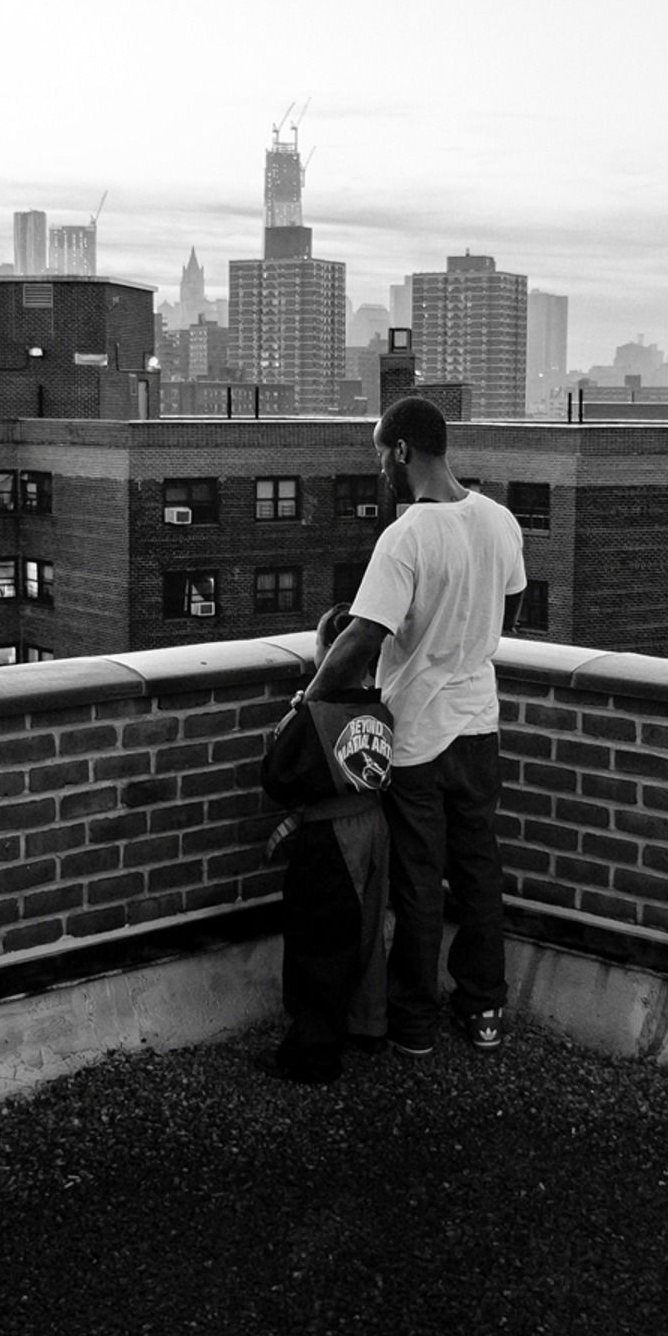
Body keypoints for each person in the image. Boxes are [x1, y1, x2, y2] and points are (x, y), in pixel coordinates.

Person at [300, 396, 526, 1056]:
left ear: (402, 449)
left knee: (420, 879)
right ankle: (485, 1010)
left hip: (419, 735)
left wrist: (308, 698)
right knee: (480, 869)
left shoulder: (406, 536)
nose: (380, 466)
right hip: (480, 723)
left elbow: (361, 637)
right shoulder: (499, 520)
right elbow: (505, 613)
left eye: (380, 452)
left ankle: (415, 1022)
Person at [258, 603, 395, 1083]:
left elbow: (277, 777)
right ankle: (368, 1025)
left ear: (328, 655)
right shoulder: (381, 708)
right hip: (374, 831)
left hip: (329, 838)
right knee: (366, 932)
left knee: (319, 939)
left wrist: (289, 721)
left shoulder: (312, 715)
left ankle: (313, 1053)